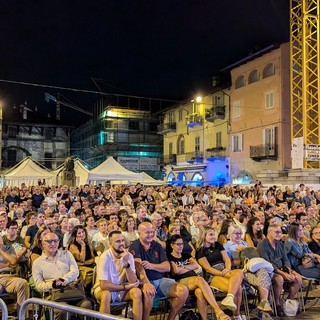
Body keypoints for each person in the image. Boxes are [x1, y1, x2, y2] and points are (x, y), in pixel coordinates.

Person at [129, 222, 188, 320]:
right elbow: (138, 267)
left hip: (160, 280)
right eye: (147, 232)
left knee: (183, 291)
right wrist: (146, 283)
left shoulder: (157, 245)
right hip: (142, 282)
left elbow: (167, 267)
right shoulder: (135, 246)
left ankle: (170, 318)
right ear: (139, 233)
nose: (151, 234)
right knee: (149, 291)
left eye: (152, 232)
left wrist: (151, 266)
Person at [168, 235, 230, 320]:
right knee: (199, 279)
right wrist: (188, 267)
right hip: (180, 282)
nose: (180, 246)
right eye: (178, 244)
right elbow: (176, 271)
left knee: (200, 292)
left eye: (182, 244)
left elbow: (196, 265)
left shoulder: (186, 255)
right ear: (172, 245)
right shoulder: (169, 257)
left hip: (193, 281)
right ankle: (218, 311)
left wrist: (183, 268)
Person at [32, 232, 92, 319]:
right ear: (42, 243)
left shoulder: (66, 254)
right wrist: (53, 284)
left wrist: (64, 280)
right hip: (54, 294)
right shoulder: (37, 263)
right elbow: (39, 285)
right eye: (49, 241)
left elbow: (75, 271)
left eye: (56, 241)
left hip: (73, 290)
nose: (53, 244)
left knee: (86, 306)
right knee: (63, 310)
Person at [196, 227, 244, 320]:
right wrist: (223, 274)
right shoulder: (200, 251)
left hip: (225, 270)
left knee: (239, 272)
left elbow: (227, 259)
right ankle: (237, 315)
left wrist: (227, 268)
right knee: (238, 287)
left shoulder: (217, 245)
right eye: (210, 234)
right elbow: (208, 268)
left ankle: (229, 298)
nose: (213, 237)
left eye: (214, 234)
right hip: (213, 275)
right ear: (204, 236)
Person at [93, 230, 142, 319]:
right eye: (118, 241)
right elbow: (103, 285)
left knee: (137, 292)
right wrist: (124, 287)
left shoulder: (128, 256)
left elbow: (133, 281)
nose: (121, 244)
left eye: (122, 240)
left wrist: (126, 264)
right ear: (110, 243)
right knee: (106, 295)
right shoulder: (105, 257)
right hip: (105, 289)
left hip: (121, 290)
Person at [224, 225, 272, 313]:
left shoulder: (244, 243)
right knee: (265, 279)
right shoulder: (227, 246)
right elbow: (229, 263)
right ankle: (264, 302)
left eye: (240, 233)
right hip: (240, 271)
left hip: (253, 267)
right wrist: (240, 253)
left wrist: (245, 249)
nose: (238, 235)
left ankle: (264, 302)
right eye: (236, 233)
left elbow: (254, 253)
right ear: (230, 234)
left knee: (263, 271)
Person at [257, 224, 302, 317]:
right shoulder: (262, 245)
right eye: (277, 232)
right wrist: (283, 274)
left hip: (283, 269)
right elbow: (268, 264)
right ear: (269, 232)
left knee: (298, 278)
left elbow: (286, 260)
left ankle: (286, 302)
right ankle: (277, 303)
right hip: (270, 270)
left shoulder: (280, 244)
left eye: (280, 232)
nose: (279, 234)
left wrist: (288, 271)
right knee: (280, 279)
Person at [0, 235, 29, 315]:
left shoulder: (9, 248)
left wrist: (1, 251)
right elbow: (10, 263)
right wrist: (7, 264)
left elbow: (13, 261)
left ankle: (22, 316)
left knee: (23, 283)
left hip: (10, 277)